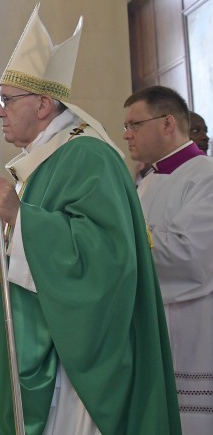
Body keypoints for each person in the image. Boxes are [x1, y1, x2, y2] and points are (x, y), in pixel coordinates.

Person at [0, 5, 180, 434]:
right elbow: (50, 240)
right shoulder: (44, 160)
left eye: (8, 100)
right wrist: (9, 250)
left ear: (45, 103)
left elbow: (106, 258)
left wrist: (18, 216)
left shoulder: (88, 156)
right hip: (47, 340)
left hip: (77, 362)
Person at [123, 85, 213, 432]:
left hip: (193, 326)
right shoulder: (148, 182)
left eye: (134, 124)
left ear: (167, 123)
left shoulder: (204, 176)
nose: (126, 134)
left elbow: (189, 256)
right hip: (153, 324)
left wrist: (119, 241)